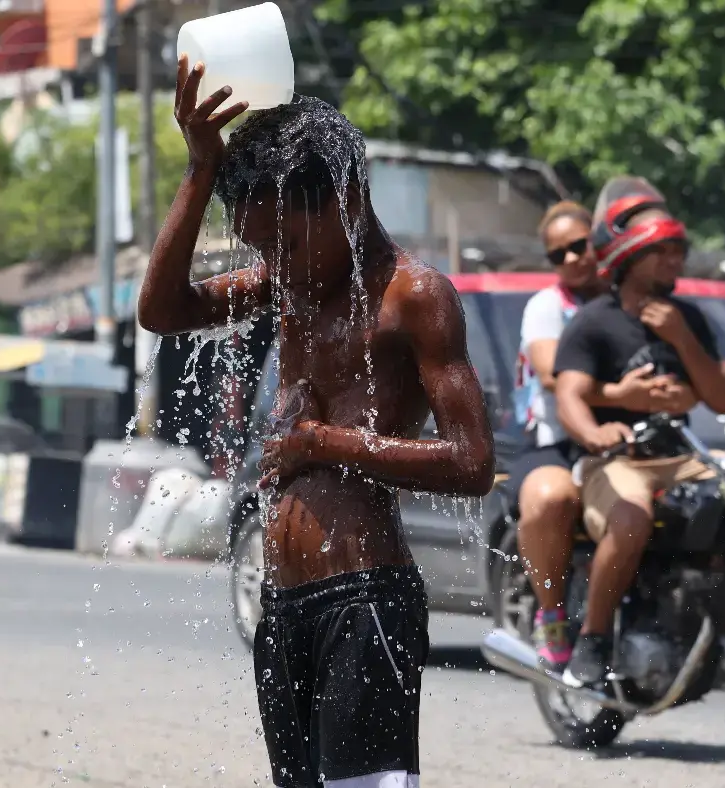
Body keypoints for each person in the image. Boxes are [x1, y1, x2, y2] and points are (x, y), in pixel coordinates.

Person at [138, 58, 496, 788]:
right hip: (283, 604)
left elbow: (471, 462)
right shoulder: (288, 283)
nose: (277, 264)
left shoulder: (414, 297)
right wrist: (200, 169)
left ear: (348, 199)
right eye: (262, 249)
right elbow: (162, 310)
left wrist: (323, 443)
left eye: (287, 244)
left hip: (365, 599)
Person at [553, 176, 725, 686]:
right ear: (629, 257)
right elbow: (569, 395)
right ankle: (592, 638)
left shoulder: (689, 319)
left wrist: (681, 338)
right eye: (662, 252)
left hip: (682, 458)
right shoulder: (594, 322)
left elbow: (723, 397)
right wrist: (595, 434)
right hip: (617, 461)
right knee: (631, 517)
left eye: (679, 252)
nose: (675, 261)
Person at [511, 201, 664, 672]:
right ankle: (552, 614)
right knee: (551, 498)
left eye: (580, 245)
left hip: (629, 442)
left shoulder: (630, 301)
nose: (573, 258)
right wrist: (622, 393)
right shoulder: (547, 306)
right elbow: (552, 376)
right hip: (558, 443)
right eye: (559, 254)